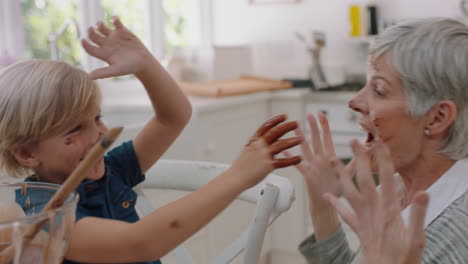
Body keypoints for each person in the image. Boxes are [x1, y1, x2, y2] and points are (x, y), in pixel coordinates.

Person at [0, 17, 302, 263]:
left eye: (97, 119)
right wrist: (237, 176)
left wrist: (144, 64)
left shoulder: (111, 170)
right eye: (73, 132)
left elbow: (174, 117)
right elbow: (140, 243)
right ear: (26, 154)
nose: (97, 134)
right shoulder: (39, 216)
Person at [290, 17, 468, 263]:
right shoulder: (395, 189)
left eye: (380, 90)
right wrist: (323, 209)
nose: (355, 102)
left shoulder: (457, 232)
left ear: (437, 117)